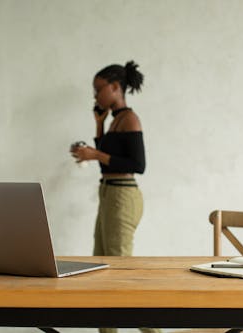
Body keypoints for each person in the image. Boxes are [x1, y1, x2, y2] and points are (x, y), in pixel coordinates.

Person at [71, 61, 161, 333]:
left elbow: (137, 164)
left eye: (99, 89)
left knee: (121, 273)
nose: (96, 95)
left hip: (123, 196)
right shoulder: (114, 121)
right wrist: (98, 125)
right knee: (100, 267)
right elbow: (106, 164)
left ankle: (154, 331)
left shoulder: (130, 119)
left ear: (115, 87)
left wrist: (95, 153)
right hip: (109, 193)